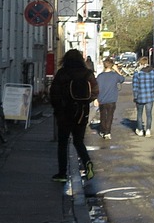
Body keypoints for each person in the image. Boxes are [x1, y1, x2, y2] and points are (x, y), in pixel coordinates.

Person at [49, 49, 97, 182]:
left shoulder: (62, 73)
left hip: (64, 112)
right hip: (82, 112)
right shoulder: (87, 74)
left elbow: (54, 92)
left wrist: (57, 107)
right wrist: (85, 102)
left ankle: (62, 173)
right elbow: (95, 91)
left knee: (63, 143)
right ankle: (87, 163)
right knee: (78, 141)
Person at [94, 57, 124, 139]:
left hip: (102, 99)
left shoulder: (100, 76)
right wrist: (117, 70)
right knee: (110, 116)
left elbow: (96, 88)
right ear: (112, 65)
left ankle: (103, 130)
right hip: (112, 99)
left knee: (103, 115)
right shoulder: (115, 76)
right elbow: (122, 79)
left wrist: (96, 99)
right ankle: (107, 132)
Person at [131, 55, 154, 137]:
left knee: (139, 114)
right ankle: (148, 130)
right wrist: (152, 90)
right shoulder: (153, 71)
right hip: (150, 96)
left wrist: (135, 96)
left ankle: (140, 130)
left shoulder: (138, 72)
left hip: (140, 96)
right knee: (149, 114)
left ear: (140, 63)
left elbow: (135, 86)